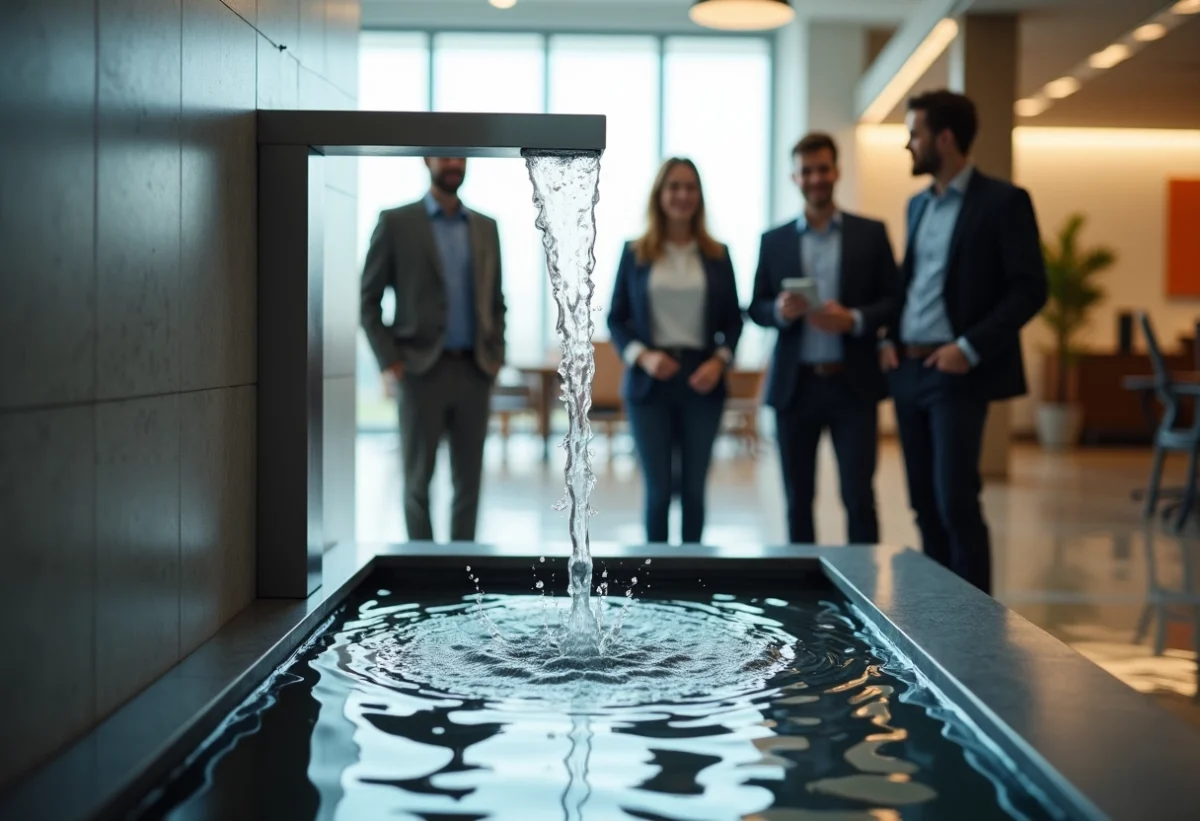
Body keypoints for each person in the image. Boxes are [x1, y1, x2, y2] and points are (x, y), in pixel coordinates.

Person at [881, 90, 1047, 594]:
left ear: (945, 138)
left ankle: (975, 623)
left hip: (957, 371)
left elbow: (1030, 288)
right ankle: (937, 614)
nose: (909, 145)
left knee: (956, 500)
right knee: (923, 504)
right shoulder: (917, 206)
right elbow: (912, 284)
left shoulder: (1003, 201)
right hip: (908, 369)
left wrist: (969, 347)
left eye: (915, 134)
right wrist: (887, 337)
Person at [748, 132, 900, 545]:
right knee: (798, 499)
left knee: (858, 496)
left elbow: (894, 301)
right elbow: (755, 306)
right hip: (795, 388)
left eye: (823, 169)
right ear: (794, 178)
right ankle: (802, 595)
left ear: (837, 172)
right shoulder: (773, 240)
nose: (816, 178)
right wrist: (778, 312)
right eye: (806, 171)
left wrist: (853, 318)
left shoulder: (870, 234)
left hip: (854, 385)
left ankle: (865, 588)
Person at [360, 157, 506, 543]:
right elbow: (368, 300)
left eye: (460, 155)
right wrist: (389, 359)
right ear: (427, 160)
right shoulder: (395, 222)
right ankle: (423, 572)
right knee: (417, 483)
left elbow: (496, 300)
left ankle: (462, 570)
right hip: (418, 371)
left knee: (469, 485)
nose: (453, 162)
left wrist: (496, 353)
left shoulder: (486, 227)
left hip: (474, 370)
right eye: (445, 154)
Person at [607, 158, 743, 544]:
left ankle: (693, 582)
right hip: (650, 383)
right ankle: (654, 582)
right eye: (674, 187)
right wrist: (643, 356)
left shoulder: (717, 255)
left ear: (698, 197)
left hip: (703, 380)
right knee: (658, 492)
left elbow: (734, 321)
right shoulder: (635, 253)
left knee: (695, 493)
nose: (682, 195)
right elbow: (617, 319)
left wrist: (720, 361)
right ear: (660, 195)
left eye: (689, 187)